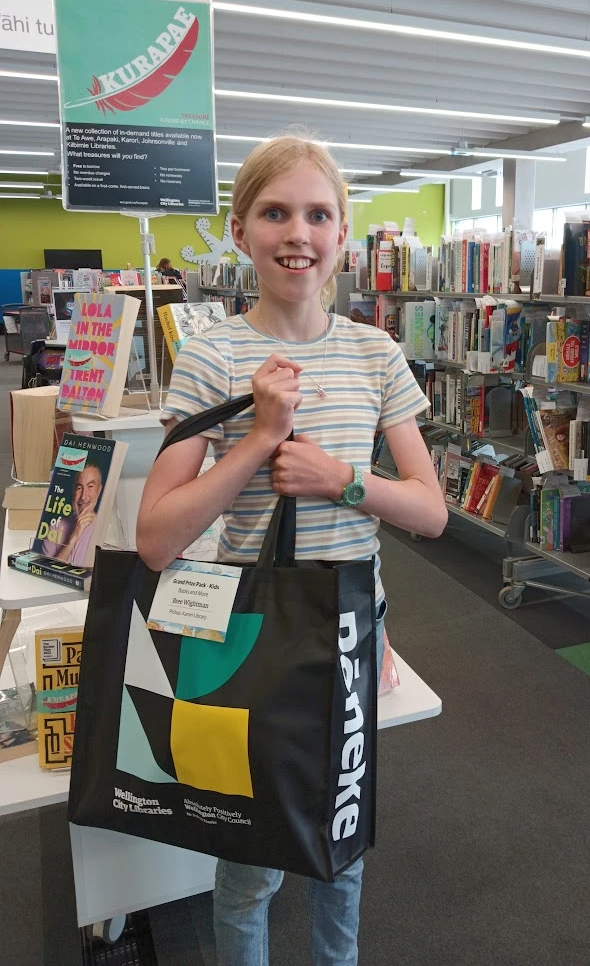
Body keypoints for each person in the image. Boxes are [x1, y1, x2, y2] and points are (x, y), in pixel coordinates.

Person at [136, 134, 447, 966]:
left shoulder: (375, 353)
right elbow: (158, 535)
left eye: (318, 214)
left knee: (341, 847)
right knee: (248, 859)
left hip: (350, 630)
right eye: (275, 212)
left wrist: (341, 478)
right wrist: (259, 441)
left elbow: (430, 511)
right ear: (241, 231)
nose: (297, 233)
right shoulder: (212, 353)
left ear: (344, 234)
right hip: (251, 634)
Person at [41, 462, 103, 567]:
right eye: (79, 488)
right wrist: (73, 538)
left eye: (90, 486)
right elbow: (47, 571)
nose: (83, 496)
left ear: (99, 490)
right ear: (73, 491)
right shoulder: (55, 527)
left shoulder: (106, 529)